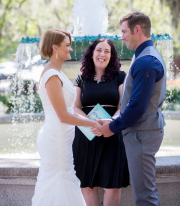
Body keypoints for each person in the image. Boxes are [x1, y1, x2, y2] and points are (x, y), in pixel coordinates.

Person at [98, 12, 166, 206]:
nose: (121, 36)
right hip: (143, 132)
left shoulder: (146, 61)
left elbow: (137, 107)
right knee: (144, 192)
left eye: (124, 31)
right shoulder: (145, 56)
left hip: (142, 135)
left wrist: (112, 127)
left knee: (145, 196)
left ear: (137, 29)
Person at [31, 29, 102, 206]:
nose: (71, 49)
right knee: (59, 181)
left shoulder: (55, 72)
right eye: (67, 45)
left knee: (62, 180)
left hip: (61, 137)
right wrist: (93, 123)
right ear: (55, 48)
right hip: (56, 137)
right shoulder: (52, 75)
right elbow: (63, 116)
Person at [73, 38, 130, 206]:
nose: (102, 54)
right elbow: (75, 107)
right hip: (86, 134)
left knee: (112, 185)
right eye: (99, 50)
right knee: (88, 185)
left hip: (112, 133)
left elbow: (123, 106)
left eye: (107, 51)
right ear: (92, 53)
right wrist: (93, 124)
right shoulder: (81, 78)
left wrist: (111, 122)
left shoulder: (120, 77)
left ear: (111, 56)